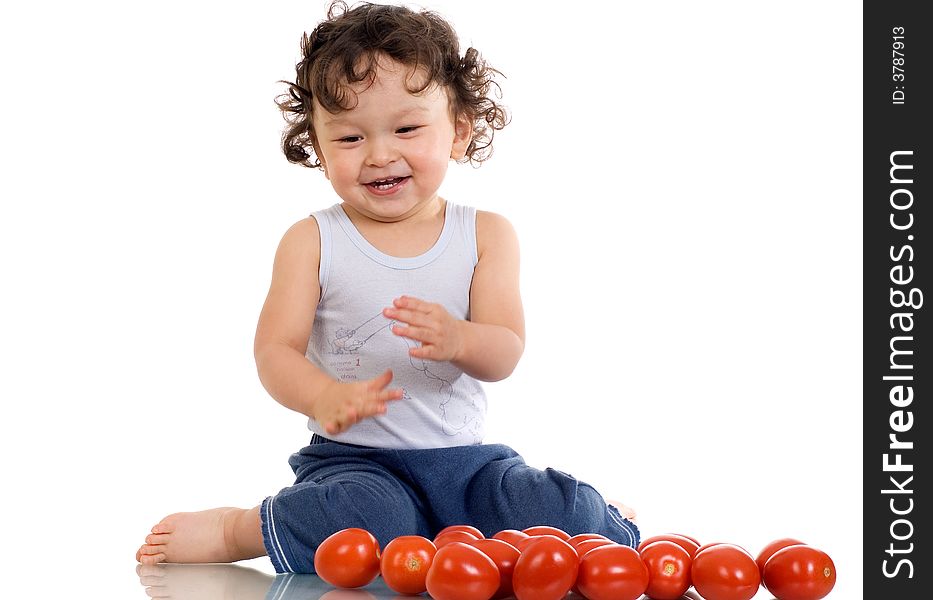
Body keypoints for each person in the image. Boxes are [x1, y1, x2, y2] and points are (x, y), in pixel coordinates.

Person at [136, 0, 638, 574]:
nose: (379, 154)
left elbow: (505, 352)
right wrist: (322, 396)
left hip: (466, 466)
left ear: (459, 131)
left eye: (406, 128)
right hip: (354, 464)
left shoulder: (486, 234)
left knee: (545, 507)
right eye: (349, 138)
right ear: (318, 148)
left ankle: (604, 520)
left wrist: (458, 339)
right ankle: (239, 529)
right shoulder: (312, 240)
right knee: (362, 518)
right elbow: (273, 351)